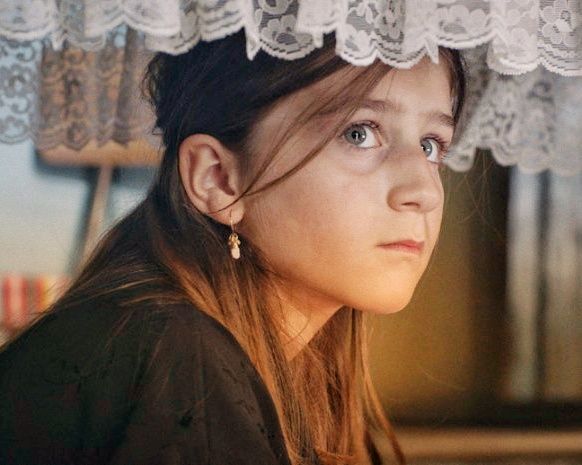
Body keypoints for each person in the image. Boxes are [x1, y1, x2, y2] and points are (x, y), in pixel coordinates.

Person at [0, 28, 466, 465]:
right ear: (218, 179)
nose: (424, 191)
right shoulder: (175, 359)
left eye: (431, 145)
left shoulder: (268, 372)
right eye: (359, 133)